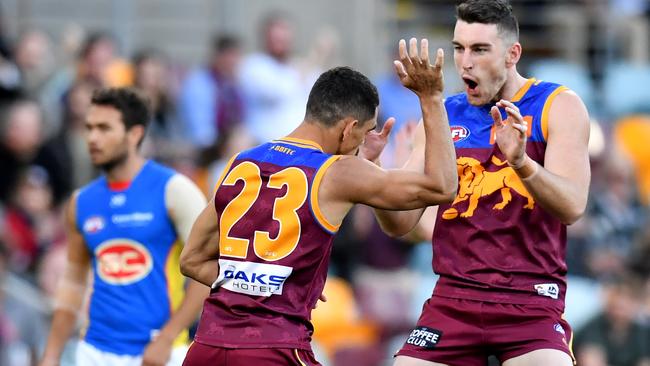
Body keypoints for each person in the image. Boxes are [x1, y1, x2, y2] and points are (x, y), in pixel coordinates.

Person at [178, 38, 457, 365]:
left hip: (206, 348)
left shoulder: (241, 160)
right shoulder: (338, 171)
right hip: (273, 348)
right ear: (348, 128)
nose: (360, 144)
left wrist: (273, 280)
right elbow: (441, 186)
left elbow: (192, 260)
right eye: (364, 133)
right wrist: (431, 97)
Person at [368, 1, 591, 365]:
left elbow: (573, 206)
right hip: (453, 300)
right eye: (459, 48)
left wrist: (520, 162)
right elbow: (402, 224)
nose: (465, 62)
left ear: (512, 54)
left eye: (480, 49)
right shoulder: (440, 115)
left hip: (530, 300)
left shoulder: (557, 105)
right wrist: (374, 175)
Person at [39, 87, 209, 366]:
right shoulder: (81, 202)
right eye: (89, 128)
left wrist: (167, 338)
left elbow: (207, 271)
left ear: (135, 134)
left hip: (158, 352)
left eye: (104, 128)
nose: (93, 138)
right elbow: (72, 282)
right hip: (94, 351)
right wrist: (51, 354)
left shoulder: (175, 190)